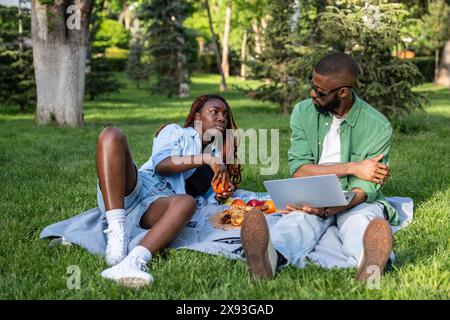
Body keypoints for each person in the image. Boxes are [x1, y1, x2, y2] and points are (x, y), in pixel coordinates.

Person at [240, 52, 397, 281]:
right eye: (311, 85)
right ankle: (268, 260)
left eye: (320, 92)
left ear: (343, 92)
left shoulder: (378, 126)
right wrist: (352, 167)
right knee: (297, 223)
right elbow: (299, 170)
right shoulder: (303, 112)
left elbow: (366, 187)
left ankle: (371, 264)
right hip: (312, 194)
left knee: (360, 222)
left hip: (354, 198)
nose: (312, 94)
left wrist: (332, 208)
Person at [98, 94, 241, 287]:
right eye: (214, 112)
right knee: (112, 135)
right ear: (197, 117)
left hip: (158, 206)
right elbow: (162, 165)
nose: (222, 118)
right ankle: (116, 231)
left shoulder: (214, 157)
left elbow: (205, 199)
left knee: (186, 202)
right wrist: (205, 160)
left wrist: (221, 193)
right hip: (135, 188)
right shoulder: (175, 132)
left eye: (225, 114)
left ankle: (133, 262)